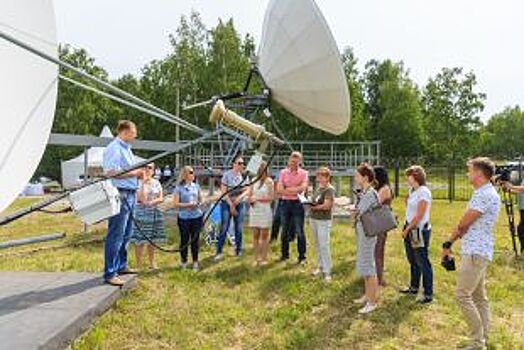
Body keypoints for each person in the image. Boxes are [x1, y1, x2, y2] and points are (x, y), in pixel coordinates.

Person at [442, 158, 500, 350]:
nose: (467, 174)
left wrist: (448, 242)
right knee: (479, 297)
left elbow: (464, 224)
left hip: (475, 251)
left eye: (470, 171)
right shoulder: (486, 192)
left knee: (462, 295)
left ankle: (477, 341)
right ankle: (484, 334)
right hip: (480, 250)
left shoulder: (483, 194)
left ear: (479, 174)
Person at [102, 120, 143, 286]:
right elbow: (111, 172)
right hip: (121, 193)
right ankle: (110, 273)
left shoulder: (127, 149)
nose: (135, 135)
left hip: (130, 193)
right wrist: (135, 173)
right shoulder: (114, 148)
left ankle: (121, 265)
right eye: (133, 132)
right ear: (125, 132)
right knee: (116, 234)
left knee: (126, 233)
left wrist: (136, 174)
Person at [401, 165, 433, 304]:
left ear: (415, 177)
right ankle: (414, 287)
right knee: (412, 259)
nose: (406, 179)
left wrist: (408, 229)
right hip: (410, 226)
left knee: (422, 260)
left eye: (408, 176)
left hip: (418, 229)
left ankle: (428, 293)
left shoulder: (424, 192)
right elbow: (410, 208)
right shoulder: (413, 190)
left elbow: (420, 215)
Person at [352, 163, 380, 314]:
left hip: (368, 234)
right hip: (363, 233)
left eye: (357, 175)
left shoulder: (370, 194)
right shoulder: (365, 192)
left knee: (369, 266)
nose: (355, 178)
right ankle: (367, 295)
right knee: (364, 263)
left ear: (365, 177)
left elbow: (359, 211)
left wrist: (351, 209)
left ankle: (372, 301)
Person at [130, 163, 166, 270]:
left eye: (150, 168)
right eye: (145, 167)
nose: (147, 169)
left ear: (153, 170)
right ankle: (138, 265)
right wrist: (144, 183)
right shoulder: (137, 183)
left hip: (154, 212)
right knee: (140, 240)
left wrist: (153, 201)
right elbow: (141, 199)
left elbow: (161, 198)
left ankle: (152, 263)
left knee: (152, 240)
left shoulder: (156, 182)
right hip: (141, 214)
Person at [215, 155, 249, 260]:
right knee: (224, 226)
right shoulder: (227, 175)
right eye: (239, 163)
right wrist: (231, 205)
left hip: (240, 203)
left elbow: (247, 190)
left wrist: (238, 199)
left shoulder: (244, 176)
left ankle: (238, 250)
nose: (241, 165)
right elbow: (224, 192)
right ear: (233, 164)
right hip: (227, 203)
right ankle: (219, 251)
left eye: (242, 163)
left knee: (239, 227)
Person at [277, 151, 309, 264]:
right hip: (285, 203)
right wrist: (295, 189)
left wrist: (288, 189)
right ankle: (284, 255)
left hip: (298, 204)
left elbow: (303, 188)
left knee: (300, 230)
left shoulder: (304, 173)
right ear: (289, 160)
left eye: (296, 161)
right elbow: (279, 189)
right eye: (292, 161)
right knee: (284, 229)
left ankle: (302, 257)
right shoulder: (283, 172)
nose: (294, 163)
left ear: (300, 162)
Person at [173, 166, 204, 271]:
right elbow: (175, 204)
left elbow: (201, 200)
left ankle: (195, 262)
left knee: (195, 240)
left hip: (197, 216)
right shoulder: (179, 188)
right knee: (184, 240)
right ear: (185, 174)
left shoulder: (196, 186)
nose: (193, 174)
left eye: (193, 172)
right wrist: (188, 205)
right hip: (184, 218)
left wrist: (198, 204)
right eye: (191, 172)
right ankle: (184, 262)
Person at [309, 167, 335, 282]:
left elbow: (327, 206)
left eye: (321, 176)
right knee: (317, 244)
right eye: (318, 176)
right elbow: (315, 200)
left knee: (324, 245)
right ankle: (320, 266)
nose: (318, 178)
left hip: (323, 220)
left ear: (327, 177)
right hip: (314, 218)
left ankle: (327, 271)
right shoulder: (319, 188)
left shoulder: (329, 189)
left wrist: (314, 207)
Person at [247, 161, 274, 266]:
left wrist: (257, 198)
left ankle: (264, 258)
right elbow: (249, 194)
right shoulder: (253, 181)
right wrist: (250, 199)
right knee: (255, 235)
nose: (262, 171)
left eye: (264, 169)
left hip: (265, 210)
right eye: (260, 169)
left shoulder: (269, 182)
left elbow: (271, 197)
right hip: (255, 210)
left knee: (264, 235)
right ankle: (256, 258)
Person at [373, 166, 394, 287]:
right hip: (377, 222)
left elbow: (375, 202)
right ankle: (376, 276)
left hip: (380, 223)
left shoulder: (385, 189)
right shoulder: (380, 188)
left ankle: (379, 279)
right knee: (376, 251)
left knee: (378, 251)